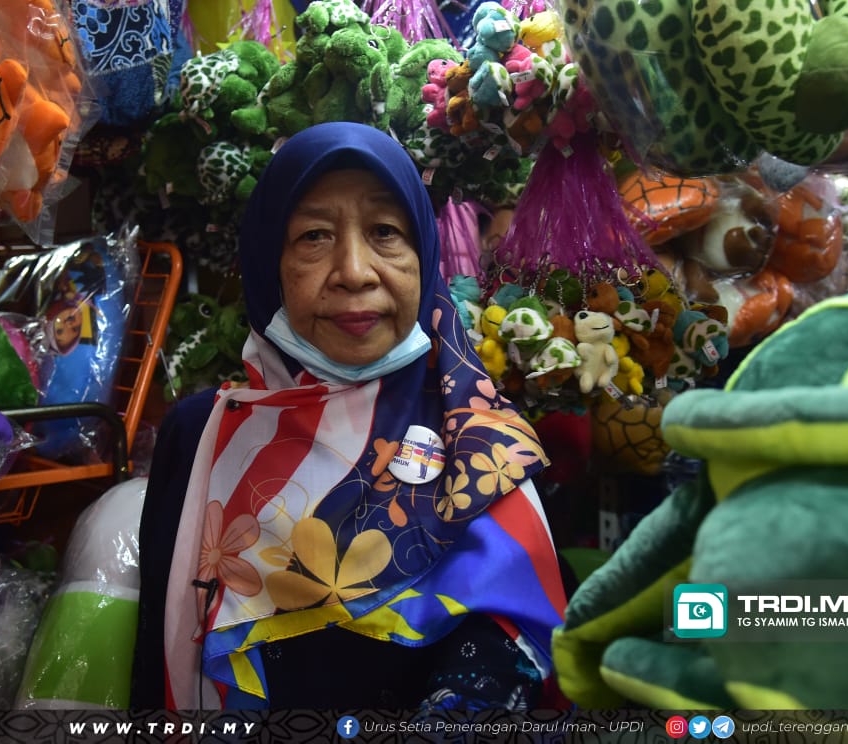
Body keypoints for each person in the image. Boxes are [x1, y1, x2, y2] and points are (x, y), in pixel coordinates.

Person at [132, 122, 568, 710]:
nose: (355, 271)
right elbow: (153, 656)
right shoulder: (202, 435)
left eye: (386, 232)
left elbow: (511, 651)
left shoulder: (482, 447)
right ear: (267, 263)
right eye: (314, 236)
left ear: (424, 257)